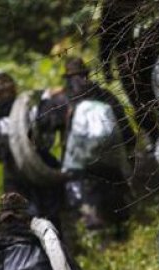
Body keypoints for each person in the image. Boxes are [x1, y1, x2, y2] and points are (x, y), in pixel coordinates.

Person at [37, 57, 135, 236]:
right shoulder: (106, 96)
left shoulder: (60, 100)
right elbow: (127, 132)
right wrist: (126, 157)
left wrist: (44, 100)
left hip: (80, 166)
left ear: (66, 77)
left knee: (87, 206)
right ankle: (121, 236)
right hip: (110, 162)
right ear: (87, 74)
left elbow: (42, 124)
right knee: (116, 204)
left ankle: (96, 240)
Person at [0, 71, 64, 226]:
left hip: (14, 180)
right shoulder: (32, 113)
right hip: (42, 172)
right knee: (52, 221)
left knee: (18, 223)